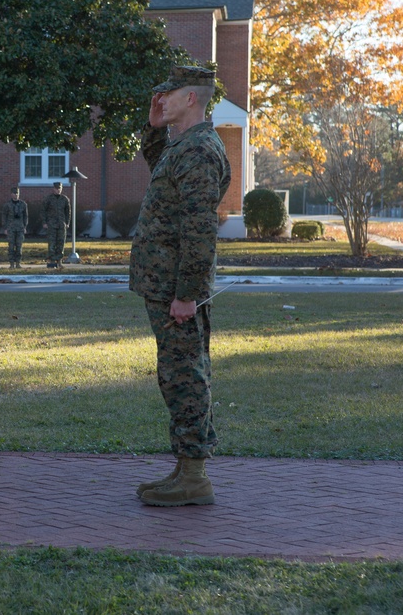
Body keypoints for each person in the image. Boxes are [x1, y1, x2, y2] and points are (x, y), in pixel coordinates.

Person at [130, 65, 231, 507]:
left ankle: (194, 476)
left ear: (190, 97)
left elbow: (199, 229)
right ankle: (184, 468)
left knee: (185, 376)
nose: (160, 101)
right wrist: (153, 128)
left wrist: (187, 294)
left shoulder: (200, 151)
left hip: (176, 288)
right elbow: (157, 169)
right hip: (164, 284)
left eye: (166, 94)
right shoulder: (183, 147)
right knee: (175, 376)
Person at [42, 181, 70, 269]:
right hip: (51, 224)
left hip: (61, 224)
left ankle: (59, 261)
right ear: (53, 189)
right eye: (56, 188)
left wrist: (67, 222)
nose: (58, 190)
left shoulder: (65, 199)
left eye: (60, 188)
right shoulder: (48, 199)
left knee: (61, 243)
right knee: (51, 243)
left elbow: (68, 212)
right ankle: (52, 261)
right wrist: (44, 222)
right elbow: (43, 211)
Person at [3, 186, 28, 269]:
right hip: (10, 228)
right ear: (11, 194)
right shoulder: (7, 205)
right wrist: (5, 228)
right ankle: (11, 264)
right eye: (14, 193)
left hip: (20, 228)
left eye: (17, 193)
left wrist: (25, 226)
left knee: (19, 246)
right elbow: (4, 216)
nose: (16, 195)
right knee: (11, 246)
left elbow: (25, 216)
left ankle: (18, 263)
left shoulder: (23, 204)